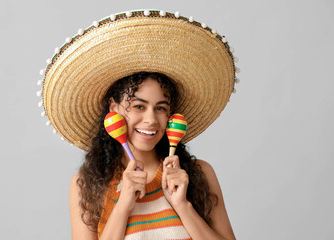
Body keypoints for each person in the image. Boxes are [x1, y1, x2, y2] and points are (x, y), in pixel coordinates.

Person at [38, 10, 239, 240]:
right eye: (138, 106)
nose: (151, 119)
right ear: (113, 110)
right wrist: (123, 205)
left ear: (171, 116)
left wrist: (183, 206)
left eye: (161, 108)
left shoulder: (199, 174)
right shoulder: (87, 185)